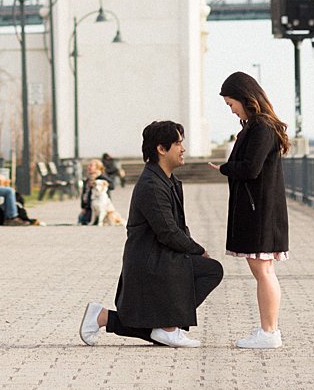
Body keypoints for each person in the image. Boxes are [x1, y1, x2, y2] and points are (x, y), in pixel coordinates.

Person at [79, 121, 222, 348]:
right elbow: (168, 232)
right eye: (177, 143)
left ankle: (108, 318)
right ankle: (168, 327)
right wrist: (197, 249)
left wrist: (192, 248)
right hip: (150, 262)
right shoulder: (152, 185)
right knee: (210, 270)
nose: (183, 149)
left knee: (209, 270)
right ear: (161, 149)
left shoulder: (167, 180)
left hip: (162, 256)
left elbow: (178, 229)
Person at [216, 70, 293, 348]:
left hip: (260, 211)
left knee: (263, 271)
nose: (231, 109)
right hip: (261, 209)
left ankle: (269, 332)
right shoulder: (258, 125)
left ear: (244, 97)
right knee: (264, 271)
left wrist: (225, 168)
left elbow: (250, 168)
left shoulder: (261, 127)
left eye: (230, 103)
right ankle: (268, 330)